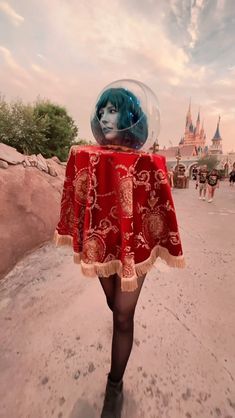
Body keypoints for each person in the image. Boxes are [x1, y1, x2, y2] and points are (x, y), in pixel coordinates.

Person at [55, 81, 184, 418]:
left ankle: (115, 385)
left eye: (112, 110)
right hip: (103, 242)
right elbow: (80, 198)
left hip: (133, 245)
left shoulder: (149, 162)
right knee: (115, 304)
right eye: (102, 111)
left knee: (123, 314)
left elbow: (156, 208)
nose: (105, 117)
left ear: (130, 116)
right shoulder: (86, 154)